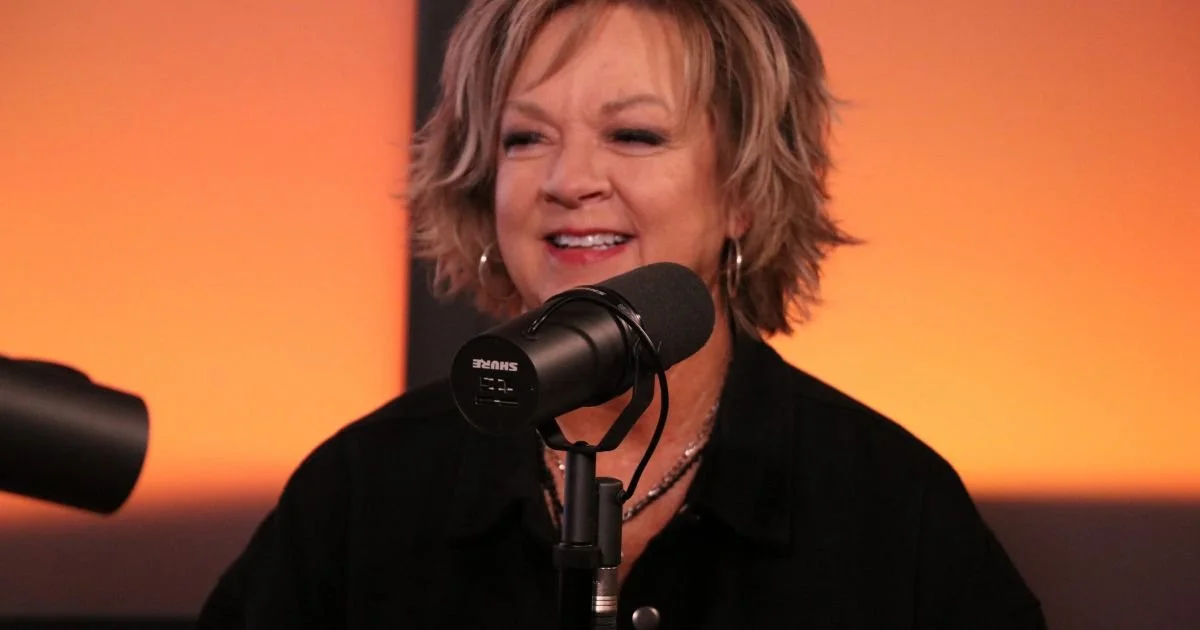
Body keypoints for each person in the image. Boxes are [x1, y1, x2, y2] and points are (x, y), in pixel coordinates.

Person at [197, 0, 1046, 628]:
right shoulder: (363, 488)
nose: (568, 181)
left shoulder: (895, 509)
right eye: (525, 138)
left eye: (634, 136)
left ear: (744, 192)